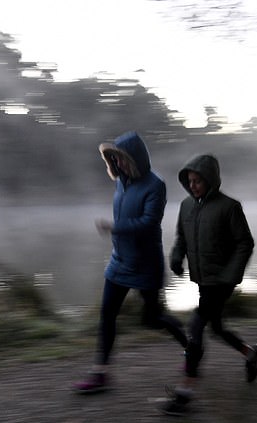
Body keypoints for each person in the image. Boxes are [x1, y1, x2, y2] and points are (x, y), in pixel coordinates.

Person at [73, 131, 188, 394]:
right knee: (107, 316)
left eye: (123, 160)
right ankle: (100, 374)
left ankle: (190, 346)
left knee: (152, 319)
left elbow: (149, 223)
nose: (119, 165)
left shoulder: (155, 184)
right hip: (119, 261)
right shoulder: (121, 182)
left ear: (136, 158)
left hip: (145, 264)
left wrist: (113, 227)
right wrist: (116, 233)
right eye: (115, 160)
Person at [160, 154, 257, 416]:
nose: (193, 185)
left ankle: (185, 393)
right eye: (190, 181)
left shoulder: (229, 207)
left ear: (211, 180)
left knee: (195, 327)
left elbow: (245, 243)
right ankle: (250, 354)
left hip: (222, 281)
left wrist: (231, 274)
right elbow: (181, 237)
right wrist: (175, 257)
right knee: (216, 328)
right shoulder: (185, 206)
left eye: (198, 180)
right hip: (203, 279)